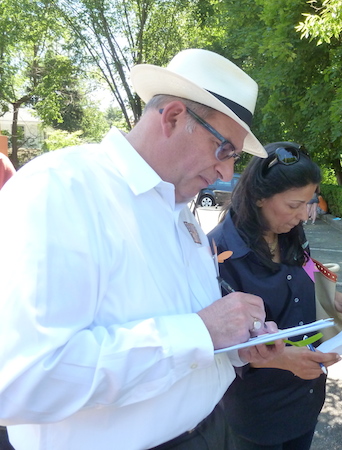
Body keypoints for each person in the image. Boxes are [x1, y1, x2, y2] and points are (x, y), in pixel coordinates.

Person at [0, 48, 285, 450]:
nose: (227, 172)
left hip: (210, 432)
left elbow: (191, 331)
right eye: (224, 150)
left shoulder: (179, 208)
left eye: (234, 157)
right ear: (172, 117)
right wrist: (201, 331)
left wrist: (238, 344)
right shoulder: (58, 189)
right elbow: (24, 380)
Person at [208, 142, 342, 450]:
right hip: (255, 413)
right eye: (293, 205)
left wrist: (340, 300)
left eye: (307, 203)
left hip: (306, 398)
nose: (301, 215)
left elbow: (305, 280)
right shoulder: (219, 254)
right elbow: (215, 345)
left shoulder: (293, 234)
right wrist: (282, 360)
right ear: (258, 197)